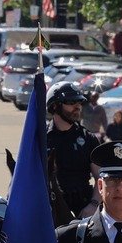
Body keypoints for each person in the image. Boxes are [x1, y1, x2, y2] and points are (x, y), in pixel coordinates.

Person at [43, 82, 101, 227]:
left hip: (83, 208)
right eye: (71, 102)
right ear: (55, 106)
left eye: (79, 102)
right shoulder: (40, 139)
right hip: (48, 206)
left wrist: (93, 205)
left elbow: (102, 178)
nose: (78, 107)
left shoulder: (89, 139)